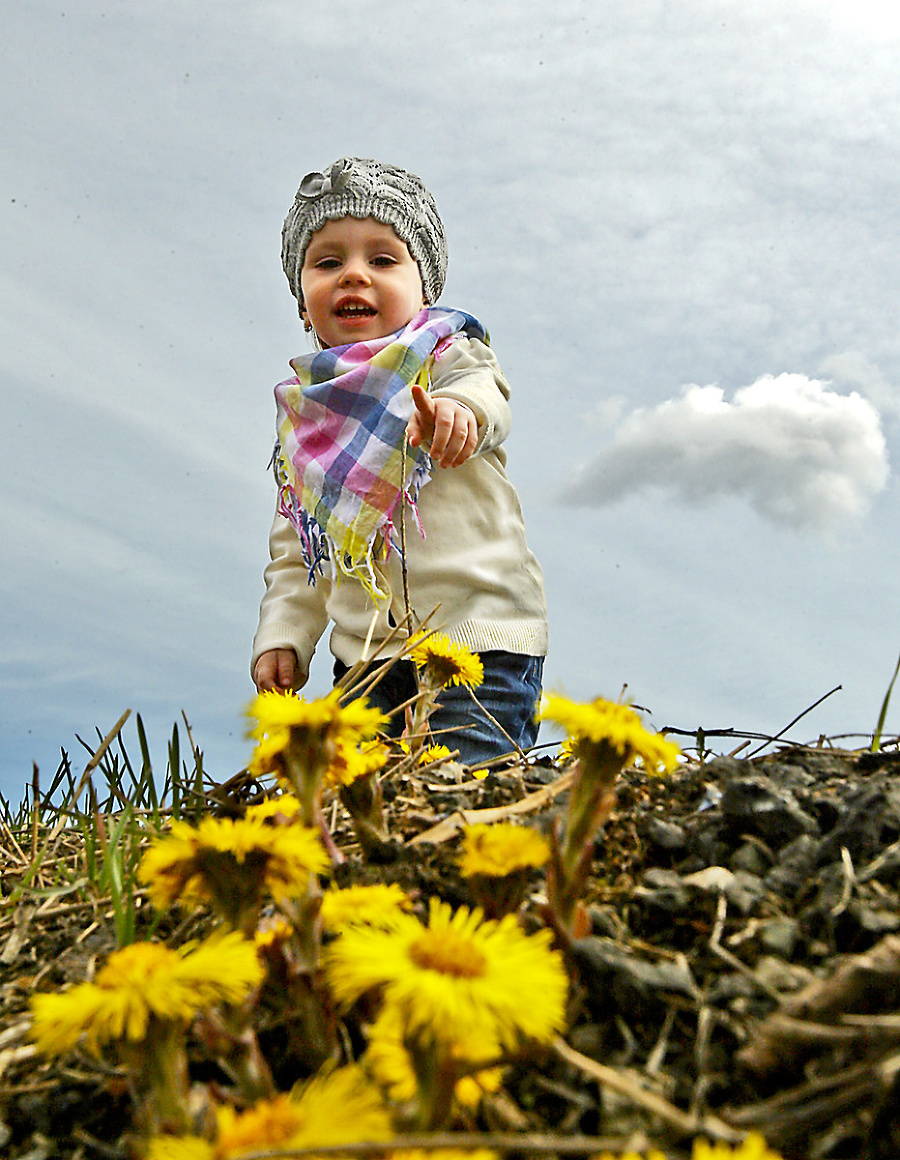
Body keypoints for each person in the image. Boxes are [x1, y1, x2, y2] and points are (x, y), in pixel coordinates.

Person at [251, 157, 547, 765]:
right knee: (357, 801)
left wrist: (458, 414)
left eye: (383, 260)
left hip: (477, 640)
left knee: (464, 784)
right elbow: (301, 550)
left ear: (424, 291)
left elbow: (486, 394)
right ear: (304, 305)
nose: (354, 275)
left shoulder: (447, 357)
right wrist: (285, 634)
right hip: (362, 659)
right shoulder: (310, 421)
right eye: (328, 261)